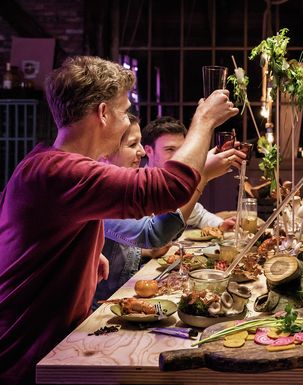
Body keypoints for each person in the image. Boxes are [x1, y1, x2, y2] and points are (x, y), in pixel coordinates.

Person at [0, 56, 238, 385]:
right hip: (28, 356)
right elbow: (169, 189)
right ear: (102, 113)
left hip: (53, 344)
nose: (127, 121)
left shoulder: (47, 164)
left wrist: (86, 254)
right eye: (124, 111)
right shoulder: (62, 171)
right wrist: (203, 121)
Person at [93, 115, 244, 307]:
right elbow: (155, 237)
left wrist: (220, 222)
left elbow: (192, 213)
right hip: (106, 305)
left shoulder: (134, 180)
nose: (141, 151)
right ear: (105, 152)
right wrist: (202, 175)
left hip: (131, 292)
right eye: (132, 145)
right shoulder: (103, 191)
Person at [141, 116, 237, 230]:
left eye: (182, 149)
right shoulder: (138, 185)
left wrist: (221, 224)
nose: (179, 156)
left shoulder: (175, 180)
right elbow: (157, 233)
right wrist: (204, 176)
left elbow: (199, 216)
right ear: (148, 151)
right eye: (170, 149)